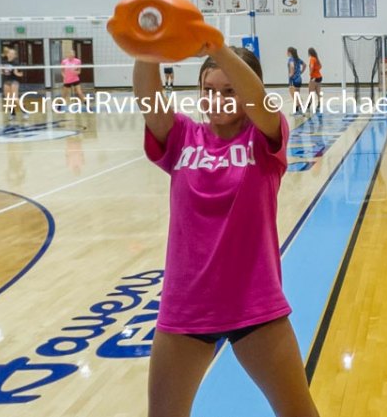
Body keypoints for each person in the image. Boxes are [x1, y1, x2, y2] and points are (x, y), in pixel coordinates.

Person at [132, 44, 319, 417]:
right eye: (208, 90)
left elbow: (261, 103)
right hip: (187, 307)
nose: (216, 99)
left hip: (254, 303)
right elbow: (148, 99)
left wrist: (218, 48)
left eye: (229, 90)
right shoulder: (183, 135)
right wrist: (148, 47)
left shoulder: (266, 136)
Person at [0, 46, 23, 119]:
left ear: (15, 55)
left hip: (14, 81)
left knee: (15, 98)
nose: (11, 55)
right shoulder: (3, 62)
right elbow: (1, 72)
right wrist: (1, 70)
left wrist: (17, 73)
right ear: (7, 54)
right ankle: (12, 114)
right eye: (10, 53)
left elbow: (21, 74)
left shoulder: (16, 63)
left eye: (13, 54)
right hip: (6, 81)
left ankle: (25, 111)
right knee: (8, 99)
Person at [287, 46, 305, 116]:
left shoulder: (291, 59)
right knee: (297, 95)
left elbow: (292, 66)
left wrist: (291, 74)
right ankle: (296, 110)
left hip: (293, 79)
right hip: (299, 79)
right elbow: (304, 65)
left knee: (294, 96)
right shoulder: (298, 59)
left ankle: (301, 108)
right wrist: (301, 72)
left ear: (289, 52)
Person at [307, 47, 323, 114]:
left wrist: (310, 73)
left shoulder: (312, 59)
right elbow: (320, 66)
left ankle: (307, 107)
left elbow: (312, 66)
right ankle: (319, 105)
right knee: (318, 92)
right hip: (319, 77)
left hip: (314, 77)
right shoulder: (317, 59)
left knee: (311, 93)